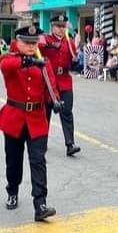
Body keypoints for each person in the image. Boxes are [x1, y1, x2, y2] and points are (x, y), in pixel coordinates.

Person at [0, 25, 61, 219]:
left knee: (38, 161)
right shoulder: (10, 58)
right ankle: (12, 191)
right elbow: (5, 66)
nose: (31, 46)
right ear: (17, 42)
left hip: (37, 118)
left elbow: (51, 85)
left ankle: (40, 203)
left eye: (34, 43)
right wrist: (27, 61)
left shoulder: (43, 62)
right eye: (27, 43)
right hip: (15, 117)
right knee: (13, 160)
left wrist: (56, 100)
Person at [39, 14, 81, 156]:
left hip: (65, 81)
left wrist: (75, 63)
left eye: (63, 26)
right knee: (46, 113)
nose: (61, 29)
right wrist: (50, 45)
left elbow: (73, 62)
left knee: (67, 112)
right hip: (49, 83)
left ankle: (70, 144)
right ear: (52, 27)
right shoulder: (46, 39)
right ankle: (42, 142)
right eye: (58, 26)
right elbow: (38, 48)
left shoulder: (69, 42)